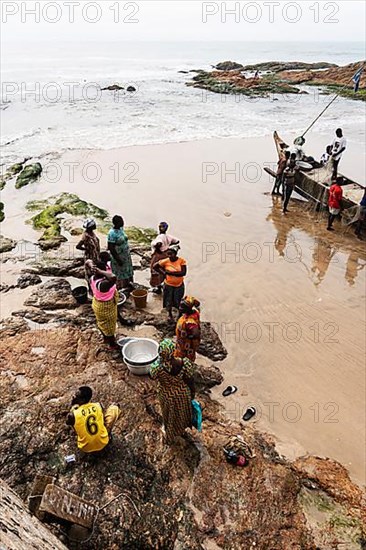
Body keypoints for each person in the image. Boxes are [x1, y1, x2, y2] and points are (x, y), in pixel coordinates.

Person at [150, 339, 195, 443]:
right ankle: (181, 430)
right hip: (182, 393)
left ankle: (170, 434)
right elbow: (190, 380)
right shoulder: (184, 363)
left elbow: (152, 376)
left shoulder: (156, 367)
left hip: (166, 395)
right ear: (173, 352)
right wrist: (192, 394)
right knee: (182, 414)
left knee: (169, 416)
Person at [66, 386, 120, 453]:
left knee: (74, 422)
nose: (73, 396)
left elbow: (67, 423)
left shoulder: (72, 414)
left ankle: (83, 436)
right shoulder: (98, 405)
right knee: (114, 408)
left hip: (85, 447)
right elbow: (102, 420)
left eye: (76, 395)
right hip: (103, 442)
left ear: (82, 400)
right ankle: (107, 435)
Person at [87, 258, 119, 347]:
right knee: (109, 326)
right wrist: (100, 271)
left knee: (102, 322)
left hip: (97, 303)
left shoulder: (92, 278)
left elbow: (88, 261)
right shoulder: (103, 284)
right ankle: (112, 344)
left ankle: (105, 338)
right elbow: (113, 277)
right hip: (106, 307)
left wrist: (92, 266)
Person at [153, 244, 187, 320]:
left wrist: (170, 273)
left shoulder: (181, 261)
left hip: (179, 285)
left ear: (175, 254)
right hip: (168, 285)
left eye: (171, 254)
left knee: (178, 301)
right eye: (168, 254)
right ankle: (169, 314)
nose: (169, 256)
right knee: (168, 301)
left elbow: (183, 273)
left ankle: (179, 315)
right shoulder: (166, 261)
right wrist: (163, 273)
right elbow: (155, 266)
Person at [150, 222, 179, 293]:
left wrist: (158, 249)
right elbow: (177, 241)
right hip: (166, 254)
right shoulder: (168, 236)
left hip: (159, 255)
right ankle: (165, 284)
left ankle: (158, 287)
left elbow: (159, 243)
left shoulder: (160, 237)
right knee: (163, 270)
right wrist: (168, 246)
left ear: (159, 228)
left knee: (155, 269)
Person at [107, 215, 134, 290]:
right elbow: (111, 248)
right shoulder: (111, 233)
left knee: (127, 271)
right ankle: (121, 289)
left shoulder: (121, 229)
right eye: (120, 221)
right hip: (118, 256)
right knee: (119, 273)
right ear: (116, 223)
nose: (122, 222)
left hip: (126, 256)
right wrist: (118, 259)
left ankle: (128, 285)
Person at [175, 296, 201, 362]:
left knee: (184, 358)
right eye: (180, 305)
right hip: (184, 342)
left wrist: (187, 337)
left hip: (186, 344)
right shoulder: (195, 312)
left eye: (182, 307)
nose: (179, 308)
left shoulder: (190, 322)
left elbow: (196, 333)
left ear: (188, 308)